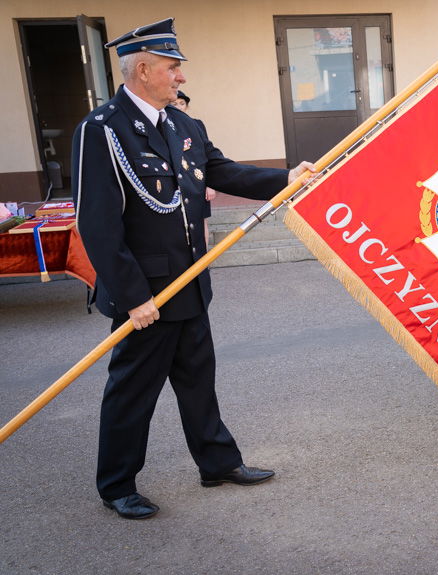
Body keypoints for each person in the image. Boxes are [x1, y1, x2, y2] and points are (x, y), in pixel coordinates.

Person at [72, 18, 315, 520]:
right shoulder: (102, 130)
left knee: (199, 380)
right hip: (148, 295)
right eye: (172, 66)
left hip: (190, 282)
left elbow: (221, 172)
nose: (180, 76)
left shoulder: (184, 125)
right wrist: (133, 295)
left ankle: (217, 463)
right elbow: (98, 226)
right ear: (143, 70)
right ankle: (117, 484)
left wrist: (285, 179)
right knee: (132, 391)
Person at [171, 90, 217, 246]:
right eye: (174, 104)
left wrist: (210, 184)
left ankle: (203, 262)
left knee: (200, 220)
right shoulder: (162, 125)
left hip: (197, 178)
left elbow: (206, 155)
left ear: (187, 106)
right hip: (176, 182)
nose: (178, 107)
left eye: (182, 103)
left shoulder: (196, 124)